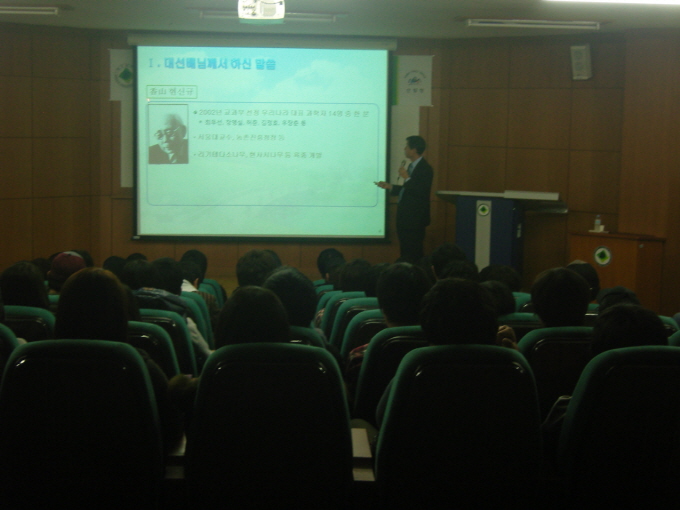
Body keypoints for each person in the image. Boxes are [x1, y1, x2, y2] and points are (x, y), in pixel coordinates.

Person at [375, 136, 433, 263]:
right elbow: (408, 190)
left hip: (415, 219)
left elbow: (420, 191)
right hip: (405, 217)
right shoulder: (412, 166)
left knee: (414, 252)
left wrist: (406, 177)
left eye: (407, 146)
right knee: (405, 250)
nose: (404, 149)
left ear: (414, 150)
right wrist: (390, 187)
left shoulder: (425, 168)